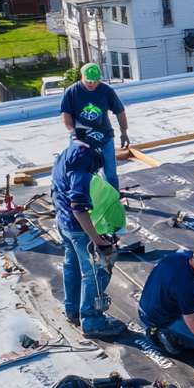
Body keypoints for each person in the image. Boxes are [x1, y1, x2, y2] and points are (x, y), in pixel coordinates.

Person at [52, 127, 127, 338]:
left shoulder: (66, 153)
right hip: (76, 228)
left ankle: (73, 310)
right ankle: (92, 321)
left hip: (63, 223)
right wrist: (98, 241)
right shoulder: (83, 158)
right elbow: (77, 205)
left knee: (72, 265)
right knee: (95, 271)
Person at [137, 245, 194, 361]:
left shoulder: (181, 257)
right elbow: (190, 319)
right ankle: (165, 334)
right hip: (159, 318)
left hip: (147, 306)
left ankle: (165, 329)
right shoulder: (185, 285)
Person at [60, 63, 129, 190]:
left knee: (110, 173)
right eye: (88, 81)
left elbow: (120, 111)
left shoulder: (106, 91)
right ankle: (82, 200)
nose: (91, 84)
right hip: (81, 139)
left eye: (95, 81)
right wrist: (73, 132)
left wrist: (124, 132)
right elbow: (66, 114)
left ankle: (112, 199)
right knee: (81, 172)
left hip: (104, 137)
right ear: (82, 77)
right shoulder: (72, 92)